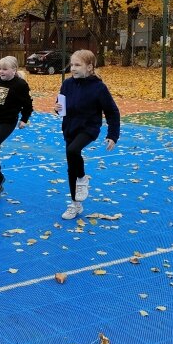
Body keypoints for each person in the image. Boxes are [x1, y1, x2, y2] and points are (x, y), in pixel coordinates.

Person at [54, 49, 120, 220]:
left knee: (73, 151)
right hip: (70, 127)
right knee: (71, 167)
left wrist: (113, 135)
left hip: (89, 129)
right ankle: (75, 204)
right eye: (72, 65)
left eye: (78, 65)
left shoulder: (99, 88)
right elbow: (61, 107)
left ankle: (82, 178)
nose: (73, 68)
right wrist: (57, 109)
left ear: (90, 67)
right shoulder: (67, 84)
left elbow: (112, 112)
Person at [0, 56, 33, 201]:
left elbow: (28, 104)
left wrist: (24, 119)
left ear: (14, 70)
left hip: (7, 121)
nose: (1, 72)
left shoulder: (20, 85)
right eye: (0, 69)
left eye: (5, 69)